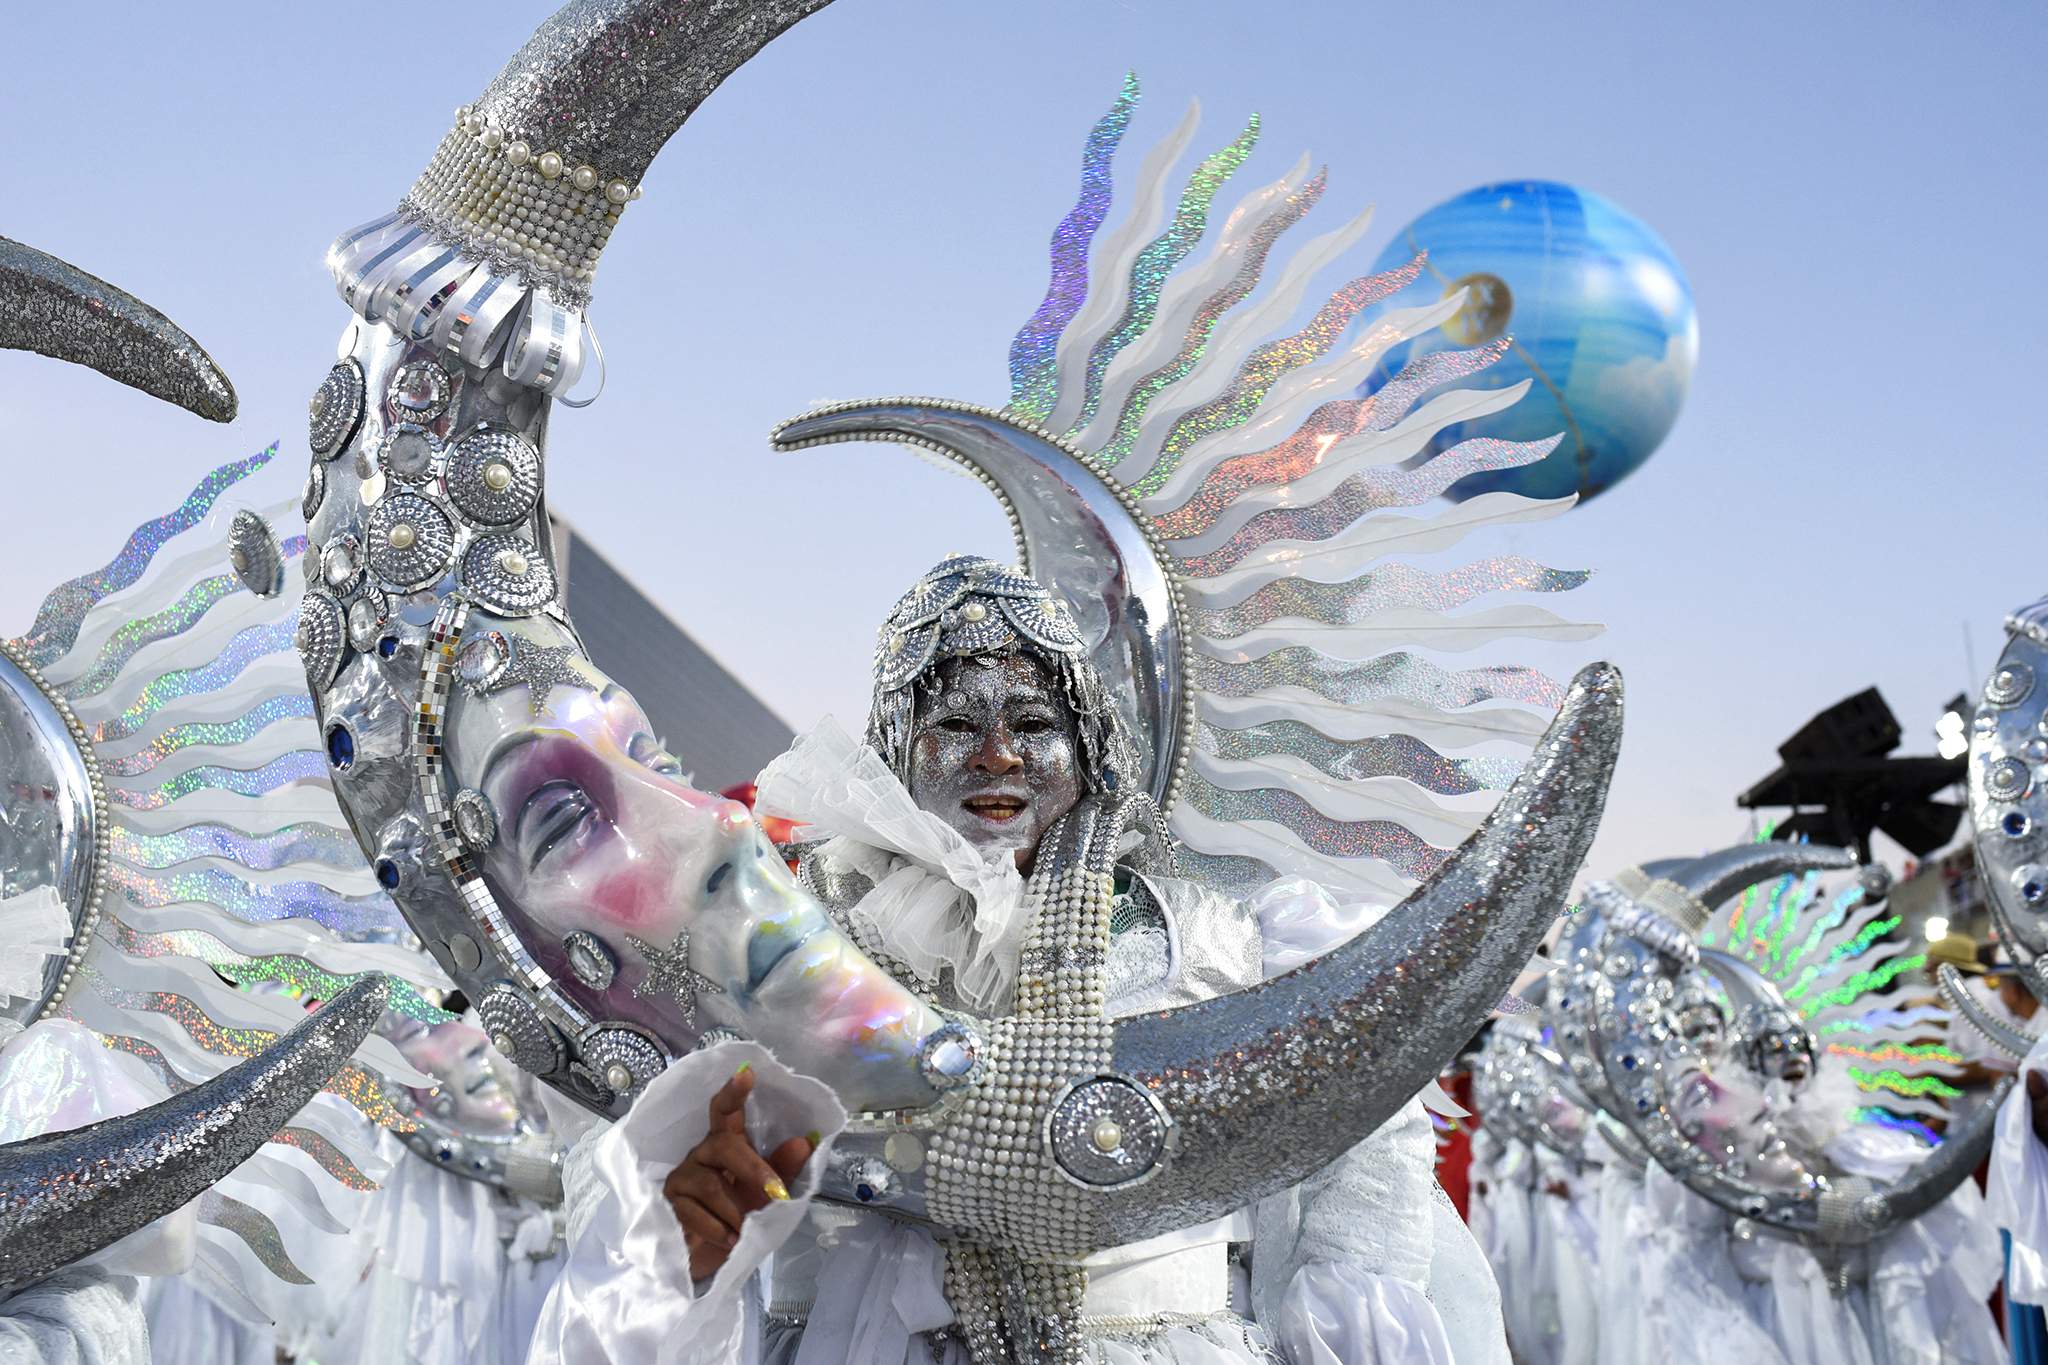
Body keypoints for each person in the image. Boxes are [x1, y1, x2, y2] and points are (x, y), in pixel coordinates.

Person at [633, 557, 1508, 1363]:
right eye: (954, 723)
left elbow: (1361, 1167)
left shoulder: (1223, 947)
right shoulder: (803, 957)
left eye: (1034, 722)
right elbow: (698, 1220)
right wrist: (696, 1241)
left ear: (1087, 749)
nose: (997, 753)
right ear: (899, 753)